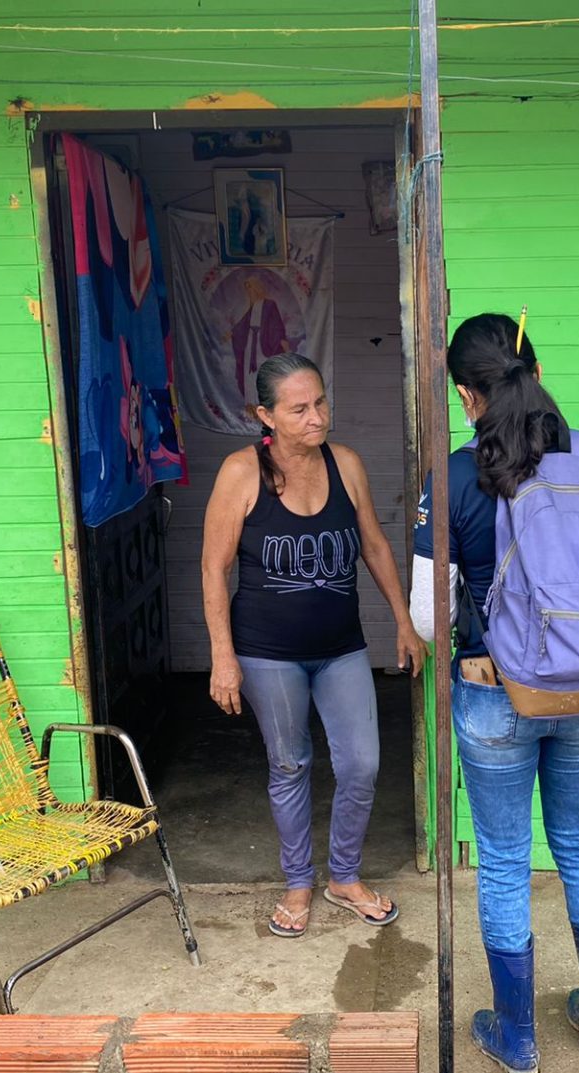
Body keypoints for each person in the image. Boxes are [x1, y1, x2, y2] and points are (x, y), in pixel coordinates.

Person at [410, 312, 579, 1073]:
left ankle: (517, 1039)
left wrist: (485, 639)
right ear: (539, 372)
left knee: (501, 859)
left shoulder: (454, 477)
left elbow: (427, 616)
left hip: (497, 697)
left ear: (466, 395)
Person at [202, 352, 428, 939]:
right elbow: (213, 568)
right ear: (266, 416)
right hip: (265, 652)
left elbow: (373, 545)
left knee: (362, 763)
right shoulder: (240, 473)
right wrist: (222, 657)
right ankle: (299, 881)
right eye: (299, 409)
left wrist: (403, 621)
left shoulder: (345, 464)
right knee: (289, 763)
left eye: (320, 402)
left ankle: (344, 877)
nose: (317, 417)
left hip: (340, 646)